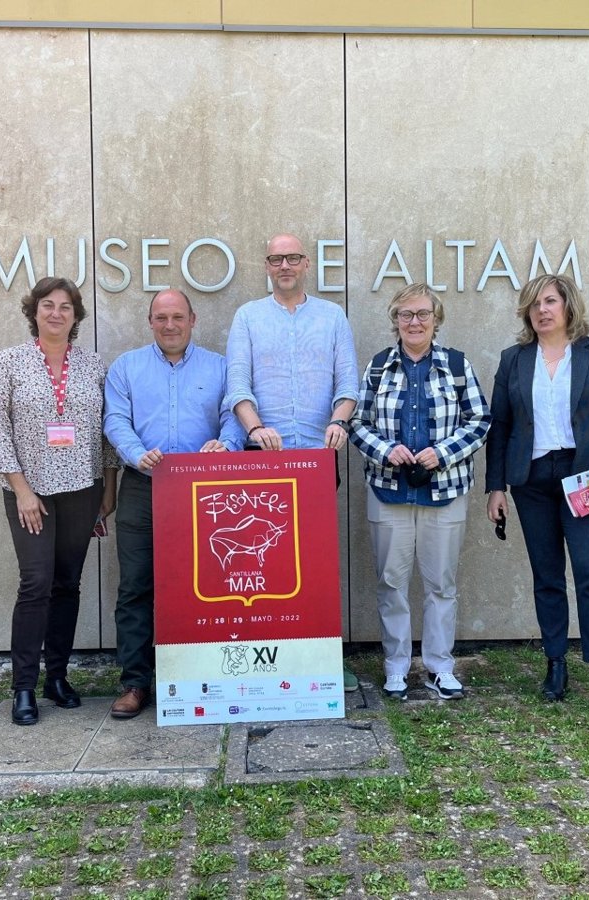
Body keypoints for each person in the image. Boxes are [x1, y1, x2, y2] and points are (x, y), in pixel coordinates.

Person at [485, 273, 589, 715]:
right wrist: (495, 487)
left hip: (582, 478)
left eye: (549, 301)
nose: (542, 310)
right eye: (534, 304)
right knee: (547, 576)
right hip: (531, 481)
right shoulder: (514, 359)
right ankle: (556, 666)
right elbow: (500, 428)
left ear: (568, 306)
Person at [226, 233, 361, 690]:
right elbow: (237, 385)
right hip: (263, 458)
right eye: (275, 259)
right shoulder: (247, 316)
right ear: (266, 266)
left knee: (317, 562)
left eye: (292, 258)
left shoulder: (332, 316)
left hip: (318, 458)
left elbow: (348, 384)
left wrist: (339, 421)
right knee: (266, 562)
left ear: (306, 263)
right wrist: (254, 428)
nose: (284, 265)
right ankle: (269, 659)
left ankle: (322, 659)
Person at [103, 288, 244, 719]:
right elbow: (115, 419)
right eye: (161, 318)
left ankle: (204, 676)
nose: (170, 325)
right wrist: (134, 452)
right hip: (143, 487)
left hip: (205, 492)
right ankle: (135, 682)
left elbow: (234, 415)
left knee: (208, 584)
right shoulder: (126, 368)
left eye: (178, 317)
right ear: (150, 322)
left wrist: (227, 444)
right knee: (136, 586)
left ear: (192, 320)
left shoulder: (220, 367)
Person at [0, 276, 118, 726]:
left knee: (66, 584)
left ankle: (56, 677)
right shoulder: (9, 363)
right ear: (34, 311)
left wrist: (109, 488)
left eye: (65, 306)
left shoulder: (93, 365)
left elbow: (106, 431)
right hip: (30, 493)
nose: (56, 313)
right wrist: (21, 489)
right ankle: (23, 686)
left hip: (83, 488)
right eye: (48, 305)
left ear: (76, 316)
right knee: (35, 583)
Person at [350, 283, 490, 701]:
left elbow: (480, 420)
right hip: (389, 492)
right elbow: (356, 422)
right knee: (391, 584)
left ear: (436, 319)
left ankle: (439, 667)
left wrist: (442, 453)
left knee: (441, 585)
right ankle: (396, 667)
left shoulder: (456, 365)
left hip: (444, 492)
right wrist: (385, 450)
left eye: (423, 314)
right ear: (395, 320)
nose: (414, 322)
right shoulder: (378, 367)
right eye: (405, 314)